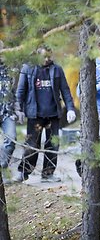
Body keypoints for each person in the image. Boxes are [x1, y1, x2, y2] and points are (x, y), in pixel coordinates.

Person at [14, 46, 76, 183]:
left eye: (49, 56)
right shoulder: (28, 69)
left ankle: (48, 174)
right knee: (32, 145)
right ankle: (23, 172)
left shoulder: (57, 69)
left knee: (52, 145)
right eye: (44, 56)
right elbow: (20, 91)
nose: (47, 59)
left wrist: (70, 108)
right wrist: (18, 110)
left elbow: (65, 91)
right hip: (35, 115)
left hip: (53, 115)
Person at [0, 40, 18, 184]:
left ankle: (2, 167)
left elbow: (14, 91)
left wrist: (17, 109)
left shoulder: (9, 69)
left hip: (7, 113)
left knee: (11, 139)